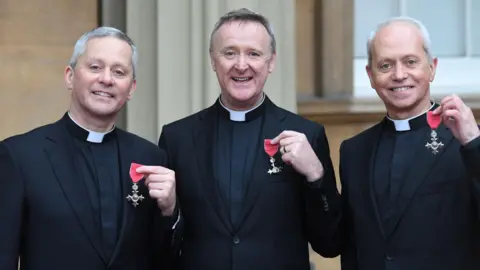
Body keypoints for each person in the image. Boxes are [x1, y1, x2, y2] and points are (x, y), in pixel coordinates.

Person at [155, 8, 341, 270]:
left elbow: (330, 243)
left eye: (254, 53)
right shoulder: (177, 138)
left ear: (271, 61)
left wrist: (316, 177)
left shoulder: (307, 135)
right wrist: (168, 212)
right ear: (213, 60)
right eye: (229, 53)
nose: (241, 65)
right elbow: (159, 246)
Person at [0, 27, 181, 270]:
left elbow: (164, 260)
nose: (106, 79)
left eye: (119, 71)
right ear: (70, 76)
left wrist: (170, 211)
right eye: (95, 67)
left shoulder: (151, 158)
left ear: (131, 88)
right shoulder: (20, 156)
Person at [336, 16, 480, 270]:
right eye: (385, 65)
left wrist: (474, 144)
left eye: (410, 62)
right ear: (370, 75)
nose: (399, 75)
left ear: (432, 67)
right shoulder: (354, 151)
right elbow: (351, 247)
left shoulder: (468, 140)